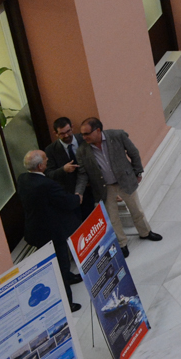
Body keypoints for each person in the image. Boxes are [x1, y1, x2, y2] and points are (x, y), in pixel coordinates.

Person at [72, 118, 161, 253]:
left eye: (86, 134)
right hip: (105, 187)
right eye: (82, 134)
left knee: (136, 210)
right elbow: (82, 174)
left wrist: (138, 172)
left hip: (125, 180)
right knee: (113, 218)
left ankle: (145, 232)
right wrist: (79, 192)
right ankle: (122, 243)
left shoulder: (117, 135)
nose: (84, 137)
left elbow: (133, 153)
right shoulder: (82, 150)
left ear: (97, 130)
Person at [18, 151, 85, 309]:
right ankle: (67, 302)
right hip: (53, 232)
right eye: (45, 159)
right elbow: (65, 201)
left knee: (57, 261)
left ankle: (69, 277)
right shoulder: (46, 185)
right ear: (40, 166)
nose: (48, 159)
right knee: (61, 264)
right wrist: (77, 198)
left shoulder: (22, 179)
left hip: (36, 230)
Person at [44, 117, 85, 199]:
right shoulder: (50, 150)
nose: (66, 135)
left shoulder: (84, 140)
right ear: (56, 133)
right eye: (62, 134)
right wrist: (63, 170)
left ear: (72, 127)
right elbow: (49, 174)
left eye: (68, 131)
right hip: (70, 192)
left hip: (91, 188)